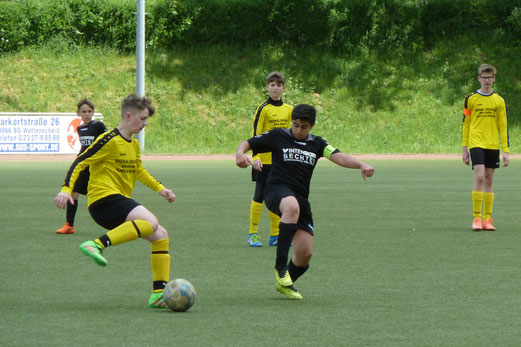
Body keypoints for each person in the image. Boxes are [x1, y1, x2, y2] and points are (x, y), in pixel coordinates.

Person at [236, 104, 374, 299]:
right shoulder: (278, 135)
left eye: (304, 127)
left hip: (301, 200)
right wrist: (239, 153)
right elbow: (247, 143)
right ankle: (281, 268)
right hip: (276, 190)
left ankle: (286, 282)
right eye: (296, 125)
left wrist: (361, 164)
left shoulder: (317, 144)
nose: (299, 130)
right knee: (291, 205)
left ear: (312, 125)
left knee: (304, 253)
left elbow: (339, 157)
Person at [55, 94, 176, 308]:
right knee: (152, 222)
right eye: (143, 118)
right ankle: (96, 244)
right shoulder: (108, 139)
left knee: (161, 236)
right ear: (128, 116)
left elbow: (138, 170)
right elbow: (80, 162)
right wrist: (66, 189)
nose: (145, 124)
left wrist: (160, 188)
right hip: (103, 200)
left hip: (115, 202)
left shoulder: (134, 145)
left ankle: (158, 293)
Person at [247, 71, 293, 247]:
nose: (275, 88)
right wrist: (255, 156)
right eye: (272, 85)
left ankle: (275, 235)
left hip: (281, 162)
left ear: (283, 88)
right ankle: (253, 233)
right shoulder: (263, 109)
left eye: (278, 85)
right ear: (267, 87)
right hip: (263, 160)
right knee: (259, 195)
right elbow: (255, 134)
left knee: (278, 197)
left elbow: (291, 134)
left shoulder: (289, 109)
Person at [461, 64, 509, 231]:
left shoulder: (499, 101)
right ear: (479, 78)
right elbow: (466, 123)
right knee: (480, 176)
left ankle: (487, 219)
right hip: (476, 142)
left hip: (492, 144)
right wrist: (464, 148)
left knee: (489, 179)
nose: (487, 80)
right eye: (484, 77)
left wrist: (506, 151)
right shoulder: (471, 99)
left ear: (493, 79)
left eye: (490, 77)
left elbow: (503, 127)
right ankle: (476, 218)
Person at [56, 99, 107, 234]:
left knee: (104, 194)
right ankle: (69, 225)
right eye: (84, 112)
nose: (87, 114)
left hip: (97, 166)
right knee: (73, 193)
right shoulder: (80, 128)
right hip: (84, 165)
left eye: (89, 111)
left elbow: (108, 142)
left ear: (93, 112)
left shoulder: (99, 126)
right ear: (78, 113)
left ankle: (118, 221)